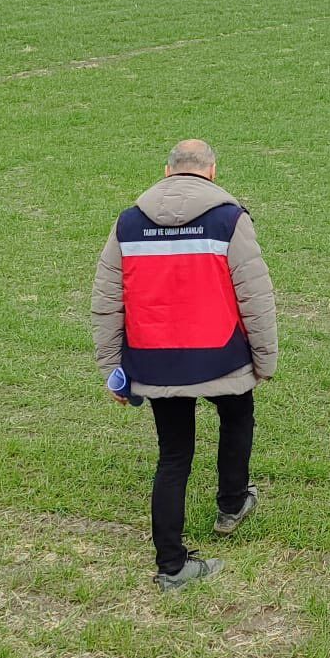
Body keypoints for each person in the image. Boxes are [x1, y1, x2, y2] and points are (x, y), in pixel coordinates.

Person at [92, 138, 277, 589]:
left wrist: (111, 368)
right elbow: (254, 295)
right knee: (238, 418)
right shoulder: (231, 218)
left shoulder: (128, 223)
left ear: (167, 170)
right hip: (222, 355)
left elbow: (106, 301)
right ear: (212, 171)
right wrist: (265, 357)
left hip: (155, 361)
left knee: (173, 456)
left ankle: (171, 564)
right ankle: (232, 503)